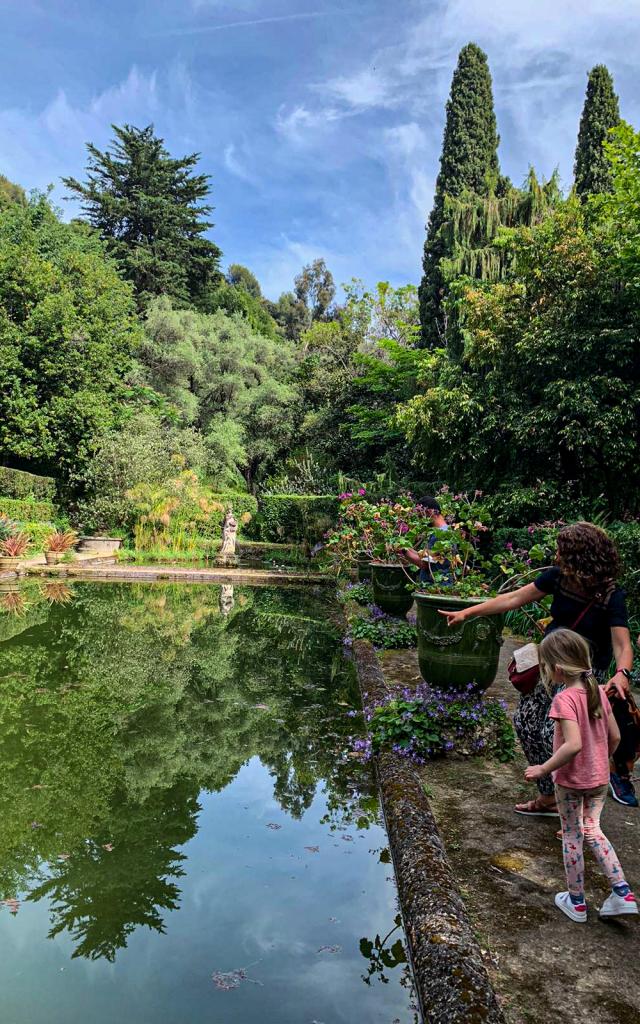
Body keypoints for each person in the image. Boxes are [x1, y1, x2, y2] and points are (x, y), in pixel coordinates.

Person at [439, 522, 637, 813]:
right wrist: (467, 612)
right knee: (525, 722)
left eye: (561, 550)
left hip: (580, 677)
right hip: (549, 667)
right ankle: (549, 797)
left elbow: (622, 644)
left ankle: (575, 804)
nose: (556, 555)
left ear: (578, 555)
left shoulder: (610, 594)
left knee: (557, 736)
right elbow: (513, 598)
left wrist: (622, 674)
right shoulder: (557, 578)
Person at [525, 629, 637, 922]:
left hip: (571, 782)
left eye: (546, 667)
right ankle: (622, 893)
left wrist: (544, 768)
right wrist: (602, 761)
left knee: (573, 836)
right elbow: (614, 737)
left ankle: (576, 902)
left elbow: (573, 745)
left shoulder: (564, 700)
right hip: (599, 780)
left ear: (558, 669)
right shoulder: (598, 691)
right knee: (593, 830)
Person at [398, 495, 453, 585]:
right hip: (439, 585)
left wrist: (403, 551)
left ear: (430, 511)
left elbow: (424, 564)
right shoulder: (445, 530)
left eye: (421, 516)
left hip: (436, 587)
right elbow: (425, 557)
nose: (421, 520)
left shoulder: (440, 534)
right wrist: (404, 546)